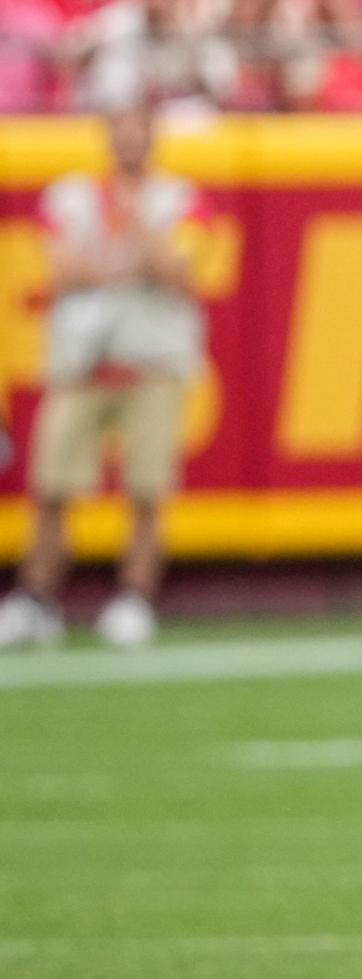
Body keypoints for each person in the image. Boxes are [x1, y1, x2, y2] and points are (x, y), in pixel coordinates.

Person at [0, 98, 204, 651]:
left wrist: (133, 225)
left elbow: (177, 270)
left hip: (151, 362)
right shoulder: (71, 195)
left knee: (146, 491)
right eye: (121, 131)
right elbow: (60, 269)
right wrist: (128, 261)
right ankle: (37, 597)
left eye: (139, 132)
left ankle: (135, 598)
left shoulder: (179, 199)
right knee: (52, 488)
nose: (129, 143)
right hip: (82, 363)